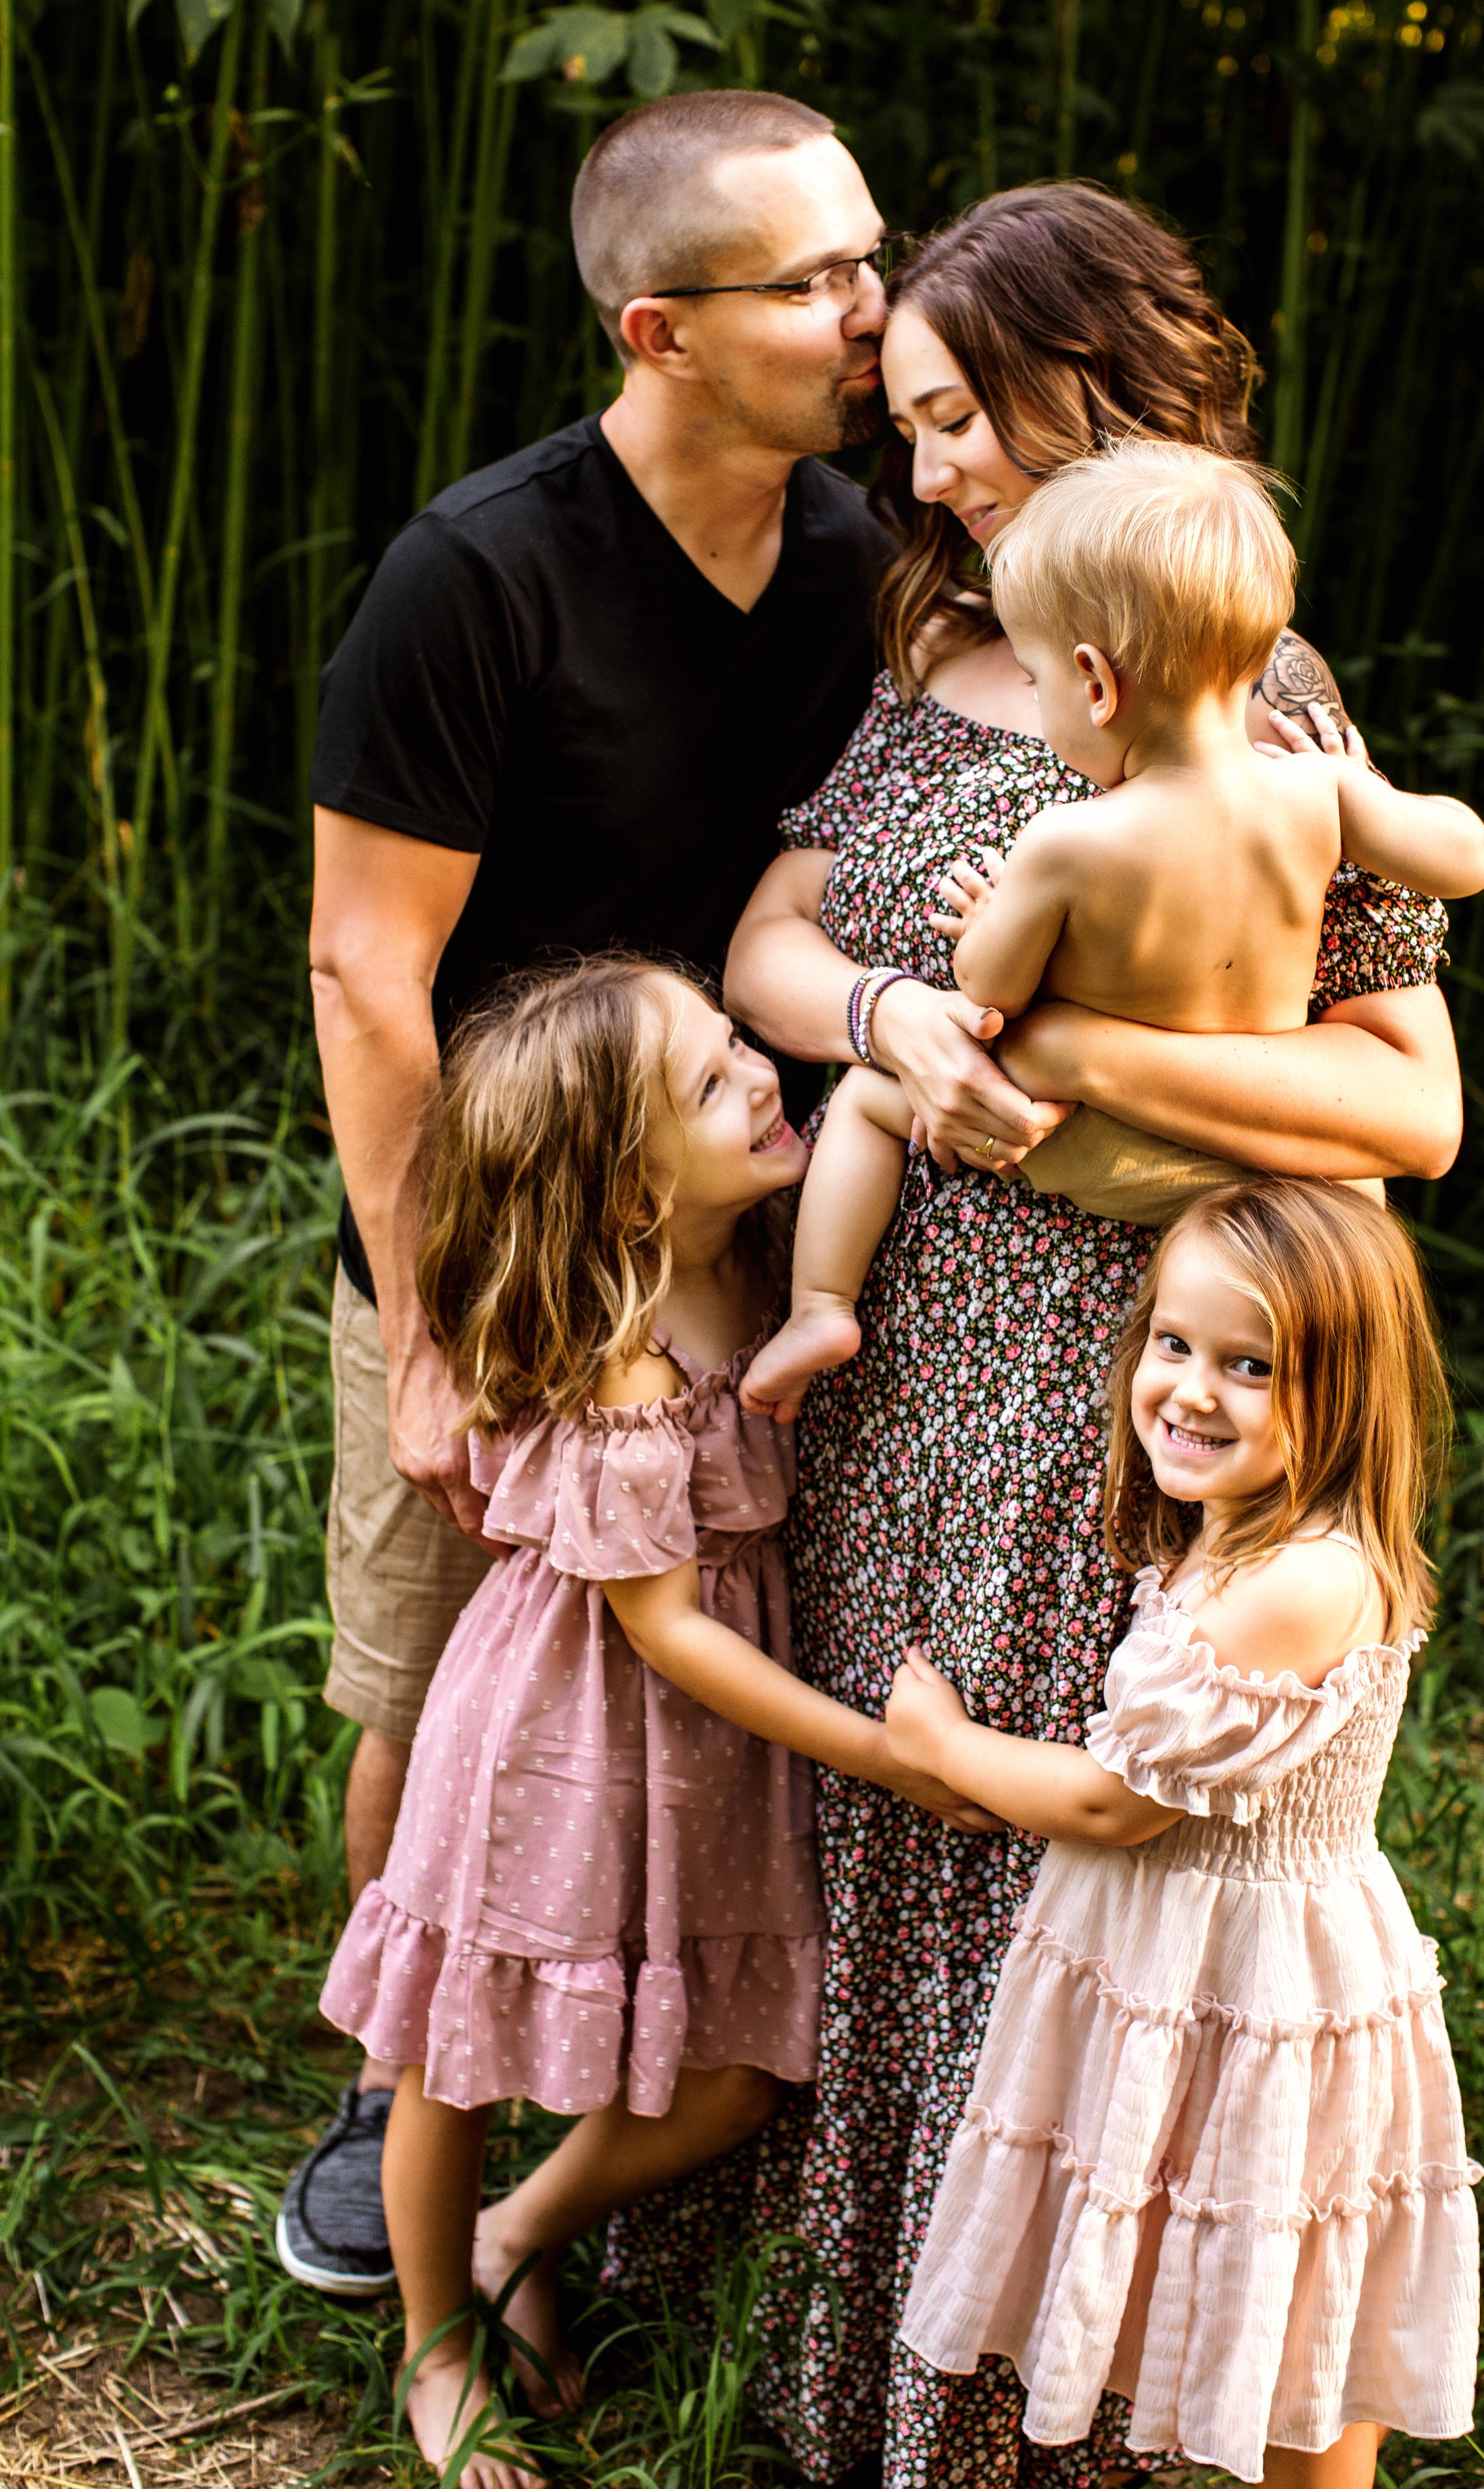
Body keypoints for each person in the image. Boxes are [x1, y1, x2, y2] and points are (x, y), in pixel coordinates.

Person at [688, 184, 1468, 2489]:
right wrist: (891, 1019)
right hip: (909, 1339)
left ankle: (1074, 2397)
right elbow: (764, 944)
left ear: (1083, 387)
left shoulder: (1261, 698)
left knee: (1067, 1826)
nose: (921, 473)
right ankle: (863, 2350)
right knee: (895, 1813)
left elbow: (1406, 1108)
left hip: (1142, 1353)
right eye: (904, 426)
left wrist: (1088, 1065)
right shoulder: (930, 657)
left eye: (955, 418)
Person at [283, 85, 895, 2294]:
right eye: (814, 279)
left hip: (733, 1211)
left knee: (690, 1659)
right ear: (659, 328)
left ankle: (645, 2073)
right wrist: (437, 1338)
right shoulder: (483, 573)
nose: (869, 310)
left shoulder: (862, 550)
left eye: (870, 250)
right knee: (440, 1675)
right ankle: (388, 2088)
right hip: (492, 1235)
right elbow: (372, 977)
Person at [317, 955, 997, 2489]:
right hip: (556, 1735)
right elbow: (664, 1626)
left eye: (733, 1041)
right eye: (709, 1081)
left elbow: (887, 1091)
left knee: (744, 2070)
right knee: (453, 2055)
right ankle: (437, 2349)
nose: (761, 1075)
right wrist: (884, 1752)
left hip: (709, 1753)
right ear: (627, 1197)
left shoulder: (773, 1237)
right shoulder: (626, 1346)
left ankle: (523, 2228)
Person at [888, 1176, 1483, 2488]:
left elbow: (1114, 1801)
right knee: (1227, 2270)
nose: (1189, 1391)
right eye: (1171, 1343)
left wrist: (938, 1748)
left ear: (1345, 1389)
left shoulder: (1303, 1578)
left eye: (1248, 1366)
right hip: (1187, 1964)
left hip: (1255, 1982)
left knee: (1286, 2311)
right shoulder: (1239, 1536)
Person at [743, 440, 1484, 1419]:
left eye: (1041, 678)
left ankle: (820, 1307)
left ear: (1097, 683)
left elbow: (989, 998)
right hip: (1265, 1161)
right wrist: (1375, 794)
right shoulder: (1320, 791)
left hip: (1099, 1147)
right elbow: (1467, 857)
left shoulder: (1068, 844)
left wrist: (989, 917)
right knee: (1356, 1195)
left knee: (873, 1100)